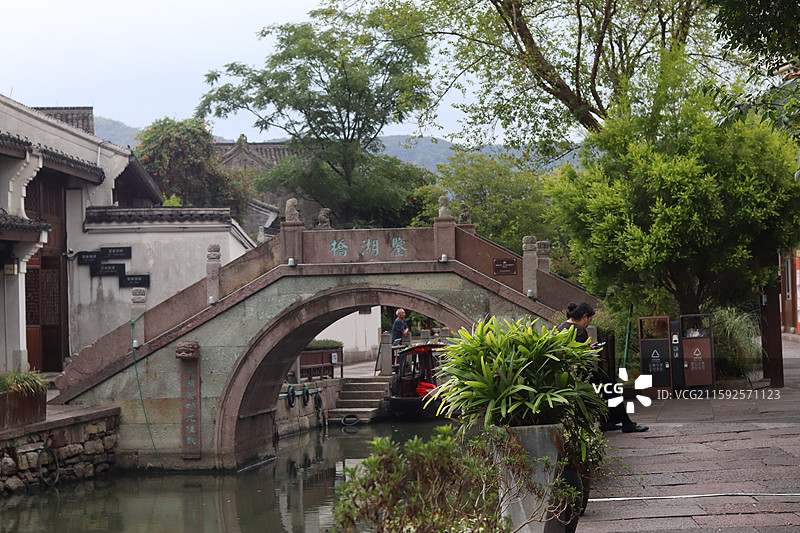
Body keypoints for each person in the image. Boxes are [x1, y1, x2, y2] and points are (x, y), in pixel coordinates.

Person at [557, 302, 648, 433]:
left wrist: (588, 348)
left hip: (568, 374)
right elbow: (581, 356)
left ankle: (608, 422)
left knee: (607, 386)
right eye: (590, 319)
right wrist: (591, 352)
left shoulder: (561, 327)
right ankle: (627, 424)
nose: (589, 323)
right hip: (581, 374)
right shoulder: (580, 331)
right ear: (584, 316)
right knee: (611, 385)